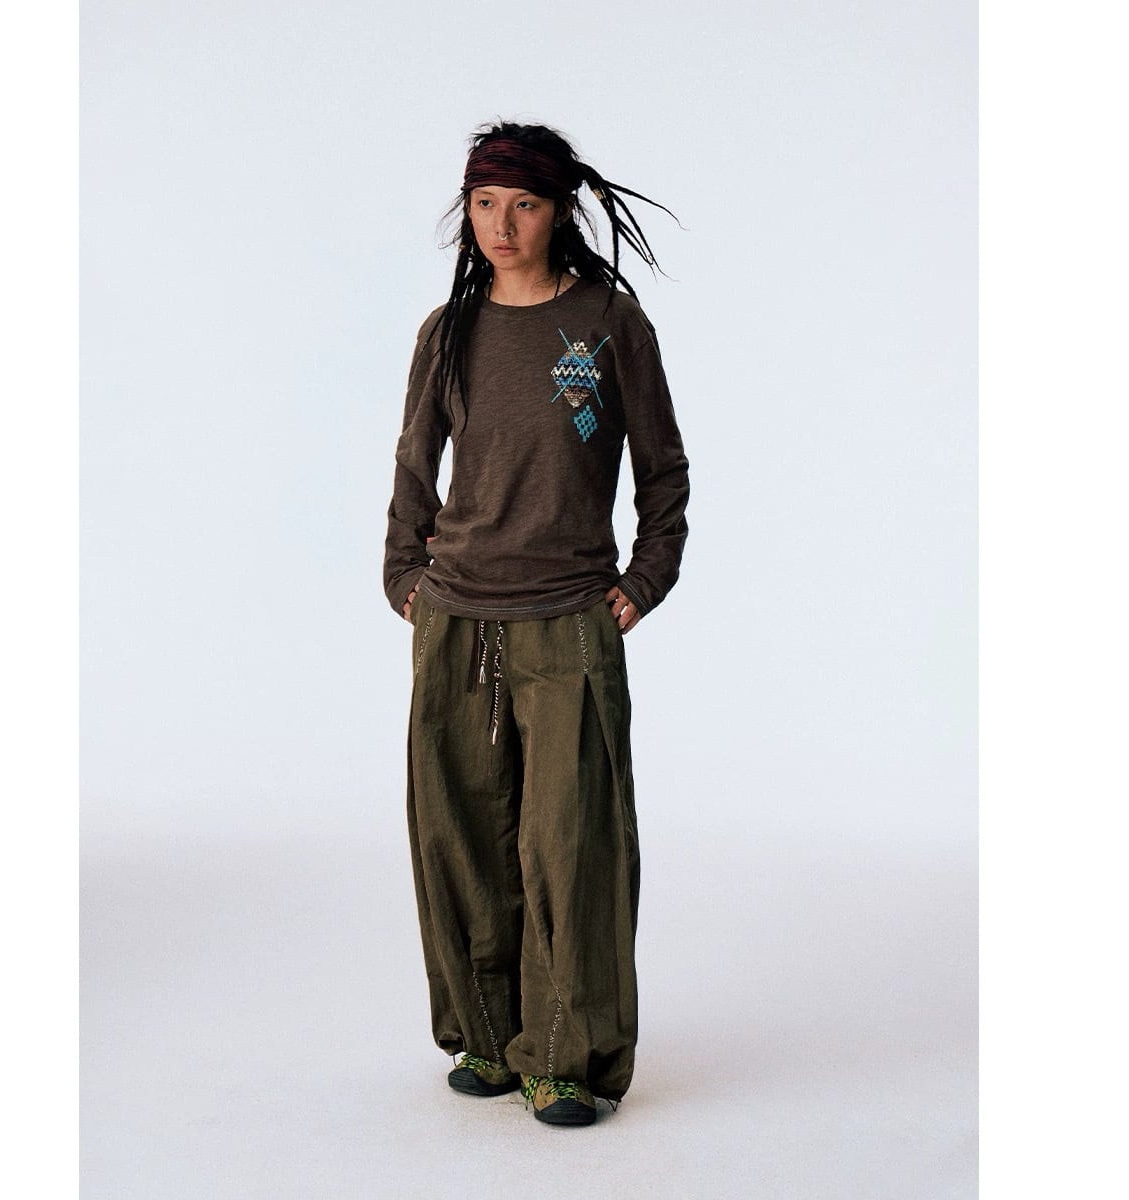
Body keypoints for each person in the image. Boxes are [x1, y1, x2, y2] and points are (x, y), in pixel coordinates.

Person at [383, 120, 690, 1127]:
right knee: (462, 837)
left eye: (523, 204)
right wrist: (405, 573)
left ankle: (562, 1056)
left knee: (568, 845)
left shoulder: (606, 325)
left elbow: (663, 469)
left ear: (560, 211)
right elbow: (415, 460)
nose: (501, 225)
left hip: (568, 621)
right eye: (484, 203)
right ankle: (485, 1034)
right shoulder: (449, 331)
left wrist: (645, 578)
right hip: (457, 619)